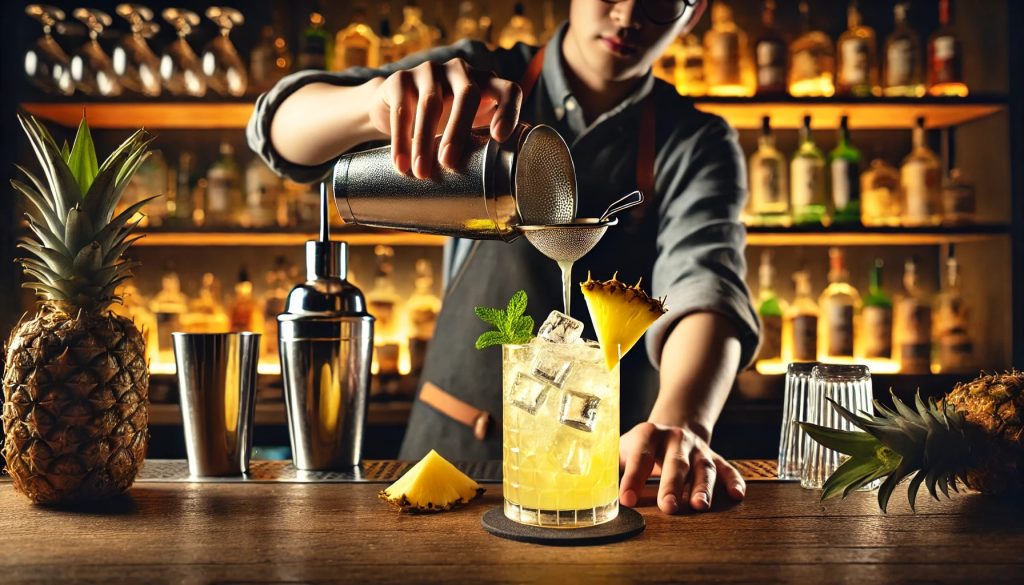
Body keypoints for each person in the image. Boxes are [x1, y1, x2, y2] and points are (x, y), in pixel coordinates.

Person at [248, 0, 760, 514]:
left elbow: (706, 288)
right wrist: (370, 104)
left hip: (599, 472)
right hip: (449, 459)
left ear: (692, 16)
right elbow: (277, 128)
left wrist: (681, 422)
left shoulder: (695, 140)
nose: (627, 16)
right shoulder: (478, 80)